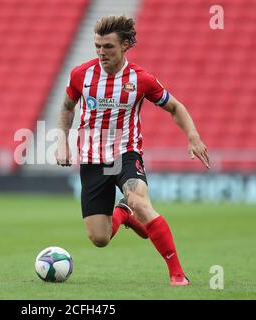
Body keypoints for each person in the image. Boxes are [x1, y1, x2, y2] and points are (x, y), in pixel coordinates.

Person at [55, 15, 210, 286]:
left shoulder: (141, 79)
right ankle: (123, 212)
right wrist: (61, 142)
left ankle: (177, 272)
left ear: (126, 45)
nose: (101, 52)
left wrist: (193, 137)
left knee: (140, 201)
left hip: (125, 153)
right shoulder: (81, 74)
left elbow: (175, 107)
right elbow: (68, 106)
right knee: (99, 238)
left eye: (108, 47)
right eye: (97, 46)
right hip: (92, 159)